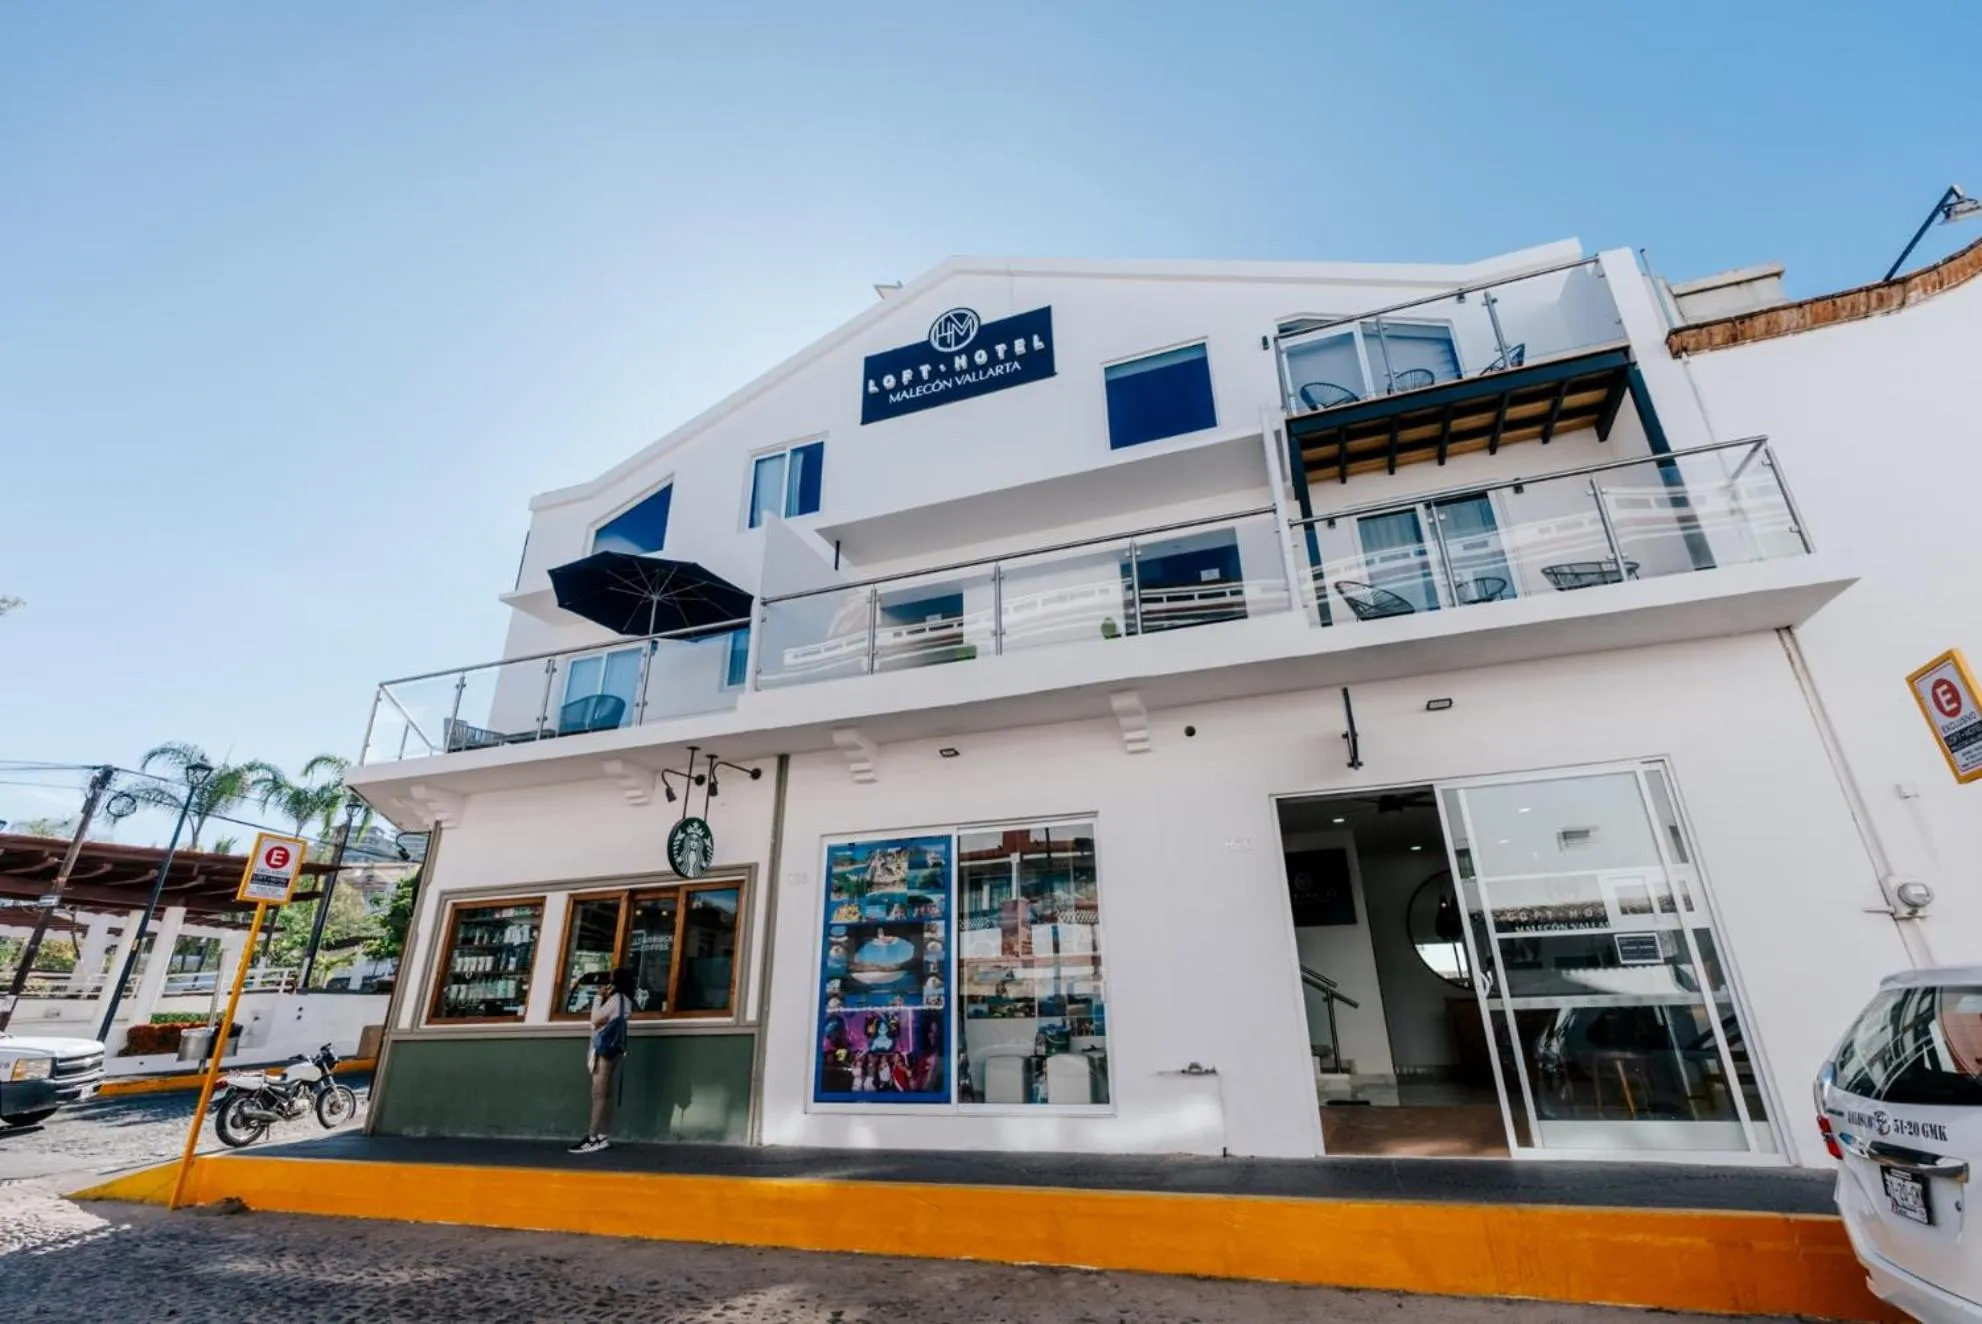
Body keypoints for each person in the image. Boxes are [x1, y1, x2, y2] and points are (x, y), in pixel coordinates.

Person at [569, 966, 633, 1154]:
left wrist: (598, 997)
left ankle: (592, 1136)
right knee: (606, 1095)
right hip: (615, 1051)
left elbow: (595, 1018)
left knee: (598, 1094)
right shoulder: (626, 1000)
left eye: (611, 979)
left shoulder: (615, 999)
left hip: (603, 1052)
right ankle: (602, 1135)